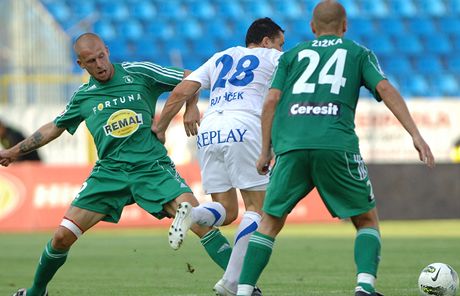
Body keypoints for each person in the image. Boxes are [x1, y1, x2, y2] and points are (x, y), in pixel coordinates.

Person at [0, 33, 230, 296]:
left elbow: (192, 76)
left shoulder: (139, 72)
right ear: (80, 64)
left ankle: (241, 284)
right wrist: (15, 151)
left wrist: (191, 107)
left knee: (198, 221)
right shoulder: (84, 97)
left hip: (151, 167)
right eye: (91, 61)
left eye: (101, 56)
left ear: (107, 51)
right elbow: (54, 127)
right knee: (62, 237)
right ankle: (35, 292)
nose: (99, 64)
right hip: (108, 173)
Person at [235, 1, 436, 296]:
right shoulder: (357, 53)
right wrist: (415, 134)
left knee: (270, 221)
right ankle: (364, 287)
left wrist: (265, 150)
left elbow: (270, 102)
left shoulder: (290, 56)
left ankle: (243, 289)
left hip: (291, 147)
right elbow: (385, 89)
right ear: (345, 26)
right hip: (335, 144)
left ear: (313, 28)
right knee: (366, 219)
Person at [154, 18, 285, 296]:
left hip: (210, 130)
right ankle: (231, 282)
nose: (281, 48)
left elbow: (181, 90)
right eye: (279, 43)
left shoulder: (220, 56)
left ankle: (192, 216)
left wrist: (160, 127)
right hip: (245, 126)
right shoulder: (273, 57)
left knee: (227, 211)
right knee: (257, 210)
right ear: (266, 42)